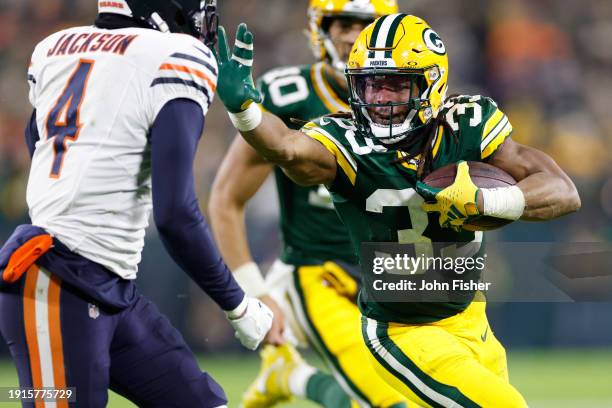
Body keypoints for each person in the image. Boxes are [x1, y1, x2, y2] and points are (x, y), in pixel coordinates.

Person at [214, 14, 581, 408]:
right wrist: (247, 113)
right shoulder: (346, 142)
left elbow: (563, 191)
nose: (380, 99)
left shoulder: (465, 125)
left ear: (430, 83)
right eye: (370, 85)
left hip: (470, 319)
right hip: (403, 331)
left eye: (395, 85)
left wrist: (489, 201)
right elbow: (287, 147)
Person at [0, 1, 272, 407]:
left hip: (105, 285)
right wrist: (236, 304)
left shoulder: (54, 47)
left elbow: (36, 143)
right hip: (54, 281)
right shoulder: (174, 57)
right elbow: (176, 214)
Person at [210, 1, 410, 407]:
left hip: (394, 272)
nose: (354, 36)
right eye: (343, 24)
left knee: (424, 393)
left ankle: (291, 377)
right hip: (318, 273)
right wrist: (254, 292)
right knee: (391, 402)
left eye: (366, 25)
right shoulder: (290, 94)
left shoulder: (415, 98)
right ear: (321, 29)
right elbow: (226, 199)